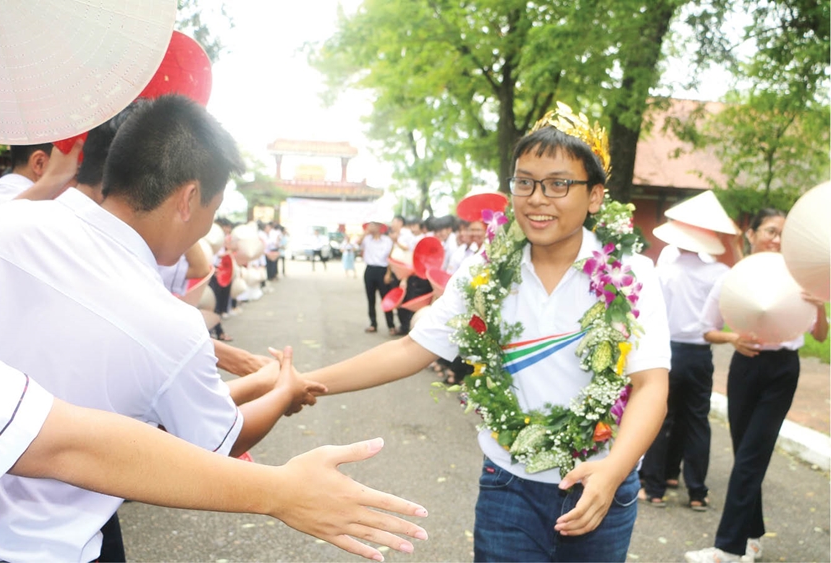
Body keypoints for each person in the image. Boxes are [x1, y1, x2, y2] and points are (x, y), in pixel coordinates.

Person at [304, 104, 671, 562]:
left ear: (595, 196)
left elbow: (651, 384)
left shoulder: (630, 273)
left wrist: (614, 470)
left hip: (602, 486)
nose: (537, 197)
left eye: (559, 184)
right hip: (508, 487)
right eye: (524, 182)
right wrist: (308, 383)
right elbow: (413, 348)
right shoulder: (485, 269)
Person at [0, 95, 324, 562]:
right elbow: (218, 444)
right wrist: (283, 391)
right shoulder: (172, 326)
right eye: (212, 209)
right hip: (58, 543)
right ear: (188, 198)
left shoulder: (4, 221)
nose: (205, 229)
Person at [0, 349, 428, 562]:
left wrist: (274, 383)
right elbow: (70, 443)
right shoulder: (164, 320)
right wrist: (281, 490)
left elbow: (61, 436)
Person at [685, 208, 829, 563]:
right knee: (746, 455)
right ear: (750, 234)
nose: (776, 240)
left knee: (750, 458)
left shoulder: (799, 280)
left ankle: (727, 549)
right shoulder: (733, 278)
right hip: (745, 367)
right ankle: (753, 536)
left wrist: (821, 307)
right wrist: (732, 337)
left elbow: (821, 337)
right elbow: (706, 328)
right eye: (769, 231)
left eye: (782, 234)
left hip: (782, 371)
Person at [640, 213, 731, 510]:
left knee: (662, 417)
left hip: (670, 351)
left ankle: (654, 488)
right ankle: (697, 492)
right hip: (701, 352)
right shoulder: (719, 271)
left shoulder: (664, 271)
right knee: (697, 421)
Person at [360, 221, 396, 334]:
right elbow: (357, 243)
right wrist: (366, 232)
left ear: (380, 227)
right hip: (370, 270)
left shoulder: (387, 241)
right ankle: (373, 323)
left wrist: (388, 273)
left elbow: (390, 257)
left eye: (374, 225)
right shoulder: (366, 239)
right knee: (371, 299)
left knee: (386, 298)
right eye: (371, 225)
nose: (372, 227)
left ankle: (391, 325)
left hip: (383, 270)